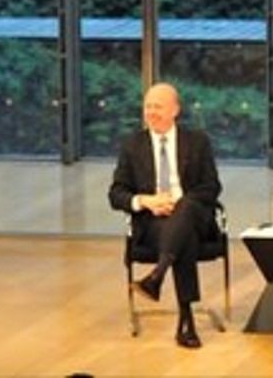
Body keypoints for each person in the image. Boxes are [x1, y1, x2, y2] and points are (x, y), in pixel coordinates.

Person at [108, 82, 222, 349]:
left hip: (194, 215)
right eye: (147, 107)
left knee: (185, 212)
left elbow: (212, 187)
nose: (151, 112)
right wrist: (146, 201)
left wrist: (179, 204)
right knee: (183, 237)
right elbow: (116, 194)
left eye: (157, 107)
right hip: (153, 223)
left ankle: (157, 274)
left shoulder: (197, 142)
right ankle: (186, 319)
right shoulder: (132, 145)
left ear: (175, 110)